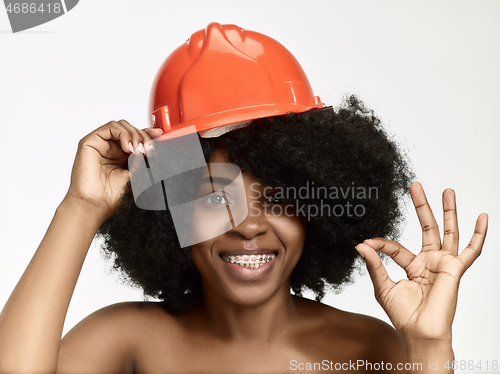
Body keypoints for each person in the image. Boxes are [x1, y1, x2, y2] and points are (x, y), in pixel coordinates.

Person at [0, 23, 488, 374]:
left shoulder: (368, 350)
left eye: (276, 199)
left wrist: (429, 351)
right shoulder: (129, 339)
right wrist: (82, 208)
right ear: (173, 213)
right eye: (214, 198)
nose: (249, 225)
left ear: (316, 208)